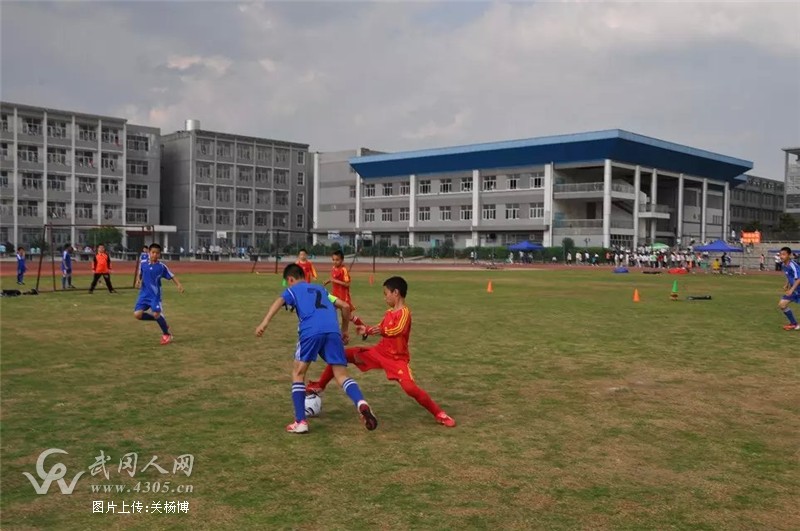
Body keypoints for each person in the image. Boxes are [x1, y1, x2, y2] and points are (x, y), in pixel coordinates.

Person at [307, 276, 456, 428]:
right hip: (379, 353)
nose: (385, 298)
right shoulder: (389, 312)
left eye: (386, 294)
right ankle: (320, 385)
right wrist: (366, 329)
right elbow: (380, 327)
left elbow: (397, 330)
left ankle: (439, 414)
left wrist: (378, 330)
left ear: (396, 293)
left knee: (410, 388)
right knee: (342, 355)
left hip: (397, 359)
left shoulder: (404, 313)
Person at [255, 263, 378, 434]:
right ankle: (361, 403)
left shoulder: (293, 289)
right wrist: (344, 330)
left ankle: (300, 422)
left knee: (298, 373)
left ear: (290, 279)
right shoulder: (321, 289)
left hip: (311, 331)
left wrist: (264, 322)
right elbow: (345, 306)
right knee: (341, 375)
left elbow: (280, 300)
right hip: (332, 331)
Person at [134, 243, 184, 344]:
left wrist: (179, 285)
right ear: (149, 252)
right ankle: (161, 321)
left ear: (160, 254)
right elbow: (140, 273)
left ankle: (167, 334)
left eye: (157, 253)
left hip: (155, 295)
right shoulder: (143, 262)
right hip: (144, 294)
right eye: (153, 252)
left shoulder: (161, 267)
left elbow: (171, 275)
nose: (155, 255)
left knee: (156, 313)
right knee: (137, 315)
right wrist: (138, 280)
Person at [324, 250, 366, 328]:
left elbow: (347, 284)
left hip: (343, 297)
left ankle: (363, 328)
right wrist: (327, 281)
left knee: (348, 317)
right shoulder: (333, 268)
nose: (335, 262)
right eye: (333, 260)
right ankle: (330, 330)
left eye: (337, 260)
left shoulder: (344, 270)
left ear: (342, 260)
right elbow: (333, 279)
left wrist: (334, 280)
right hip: (335, 296)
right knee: (329, 311)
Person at [777, 247, 800, 331]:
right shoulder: (784, 265)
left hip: (796, 289)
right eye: (780, 254)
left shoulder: (793, 265)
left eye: (784, 254)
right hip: (795, 290)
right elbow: (788, 275)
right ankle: (794, 324)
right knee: (782, 304)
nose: (781, 256)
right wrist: (787, 284)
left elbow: (799, 279)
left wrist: (791, 290)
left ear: (789, 255)